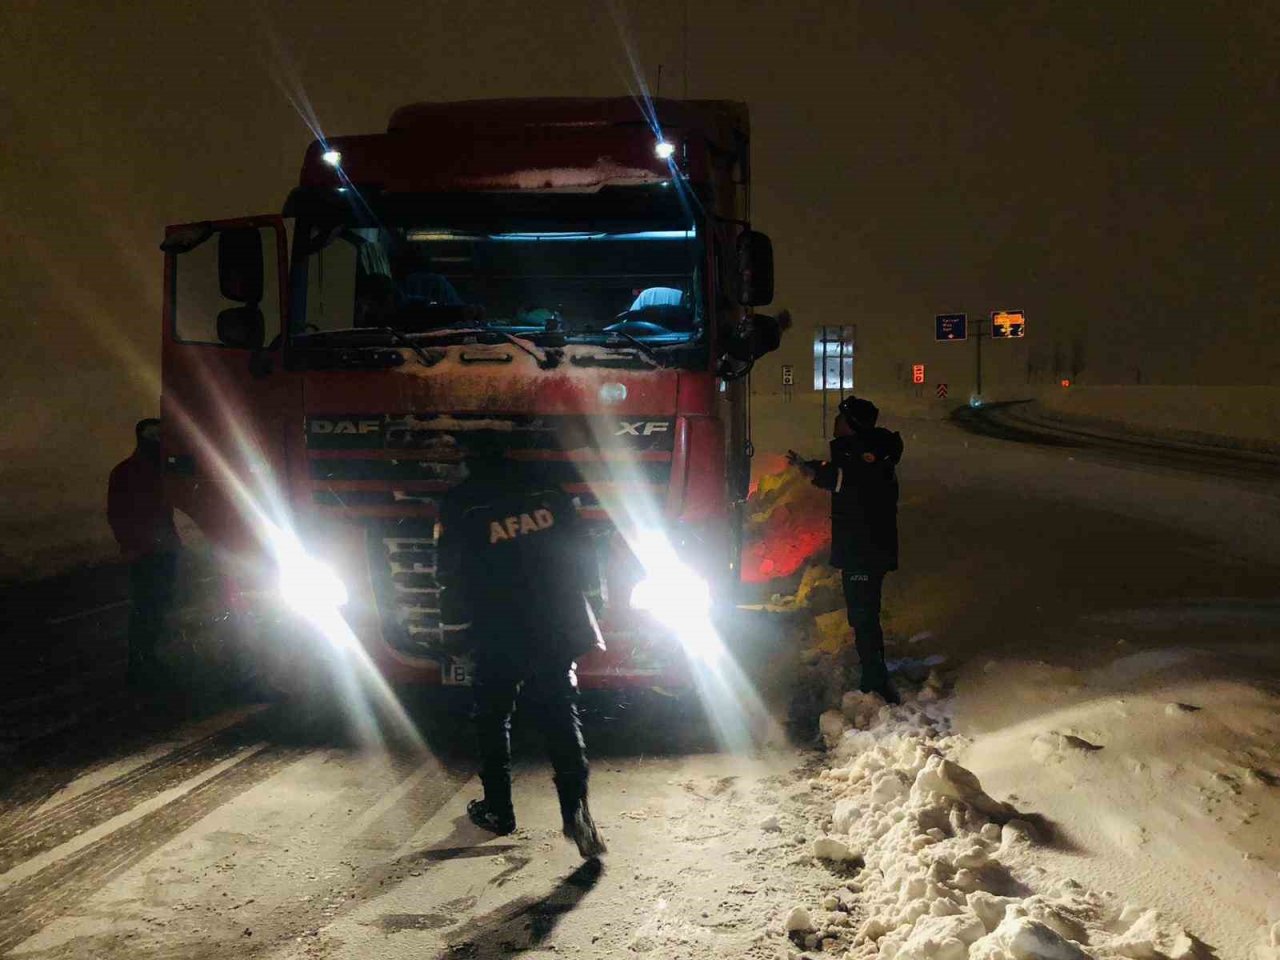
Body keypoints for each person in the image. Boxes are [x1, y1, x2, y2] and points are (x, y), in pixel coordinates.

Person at [436, 434, 607, 858]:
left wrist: (454, 632)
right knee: (560, 714)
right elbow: (584, 553)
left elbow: (452, 577)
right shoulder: (549, 491)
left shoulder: (462, 503)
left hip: (498, 629)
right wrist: (592, 603)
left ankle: (498, 810)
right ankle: (577, 812)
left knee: (493, 715)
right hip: (555, 623)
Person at [787, 396, 904, 703]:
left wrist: (813, 472)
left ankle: (876, 680)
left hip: (865, 550)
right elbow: (838, 472)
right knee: (863, 614)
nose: (836, 423)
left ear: (853, 425)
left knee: (864, 616)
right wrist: (810, 467)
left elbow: (844, 478)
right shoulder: (868, 453)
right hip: (865, 549)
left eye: (841, 419)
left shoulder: (867, 458)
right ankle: (873, 673)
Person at [107, 418, 181, 687]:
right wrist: (131, 546)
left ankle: (145, 661)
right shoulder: (132, 472)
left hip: (157, 549)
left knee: (153, 607)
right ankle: (141, 664)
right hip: (148, 551)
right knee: (148, 608)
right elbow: (118, 515)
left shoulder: (145, 470)